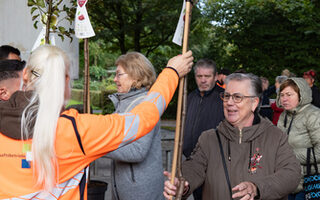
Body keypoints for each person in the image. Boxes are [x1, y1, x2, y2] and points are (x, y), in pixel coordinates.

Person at [0, 45, 194, 199]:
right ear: (65, 83)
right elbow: (143, 119)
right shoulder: (78, 131)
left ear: (25, 74)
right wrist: (171, 72)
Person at [164, 73, 301, 200]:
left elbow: (291, 174)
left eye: (237, 97)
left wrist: (257, 187)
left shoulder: (275, 137)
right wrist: (181, 184)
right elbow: (193, 167)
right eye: (227, 96)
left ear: (254, 103)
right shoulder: (209, 138)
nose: (229, 102)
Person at [106, 52, 164, 200]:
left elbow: (137, 151)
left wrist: (97, 145)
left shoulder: (145, 106)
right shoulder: (123, 104)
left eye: (119, 75)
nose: (115, 79)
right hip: (126, 190)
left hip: (142, 193)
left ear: (136, 76)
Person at [182, 59, 224, 200]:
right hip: (192, 163)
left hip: (215, 165)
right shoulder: (190, 97)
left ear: (216, 76)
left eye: (207, 76)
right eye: (200, 76)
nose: (203, 80)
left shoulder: (224, 98)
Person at [277, 77, 320, 200]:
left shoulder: (314, 115)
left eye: (289, 94)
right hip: (289, 180)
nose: (284, 99)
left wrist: (288, 155)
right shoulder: (283, 116)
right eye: (282, 95)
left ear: (301, 95)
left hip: (310, 182)